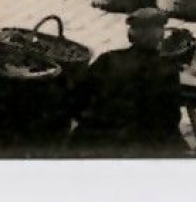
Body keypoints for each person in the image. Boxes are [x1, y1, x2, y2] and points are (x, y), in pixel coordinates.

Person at [71, 8, 183, 156]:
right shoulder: (167, 70)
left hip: (97, 143)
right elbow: (172, 118)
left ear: (130, 35)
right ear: (160, 36)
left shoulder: (108, 59)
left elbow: (76, 99)